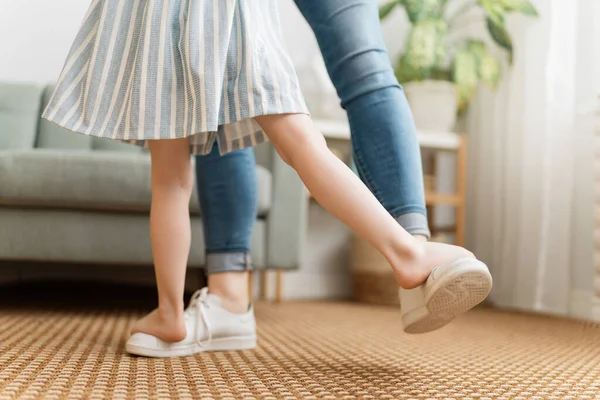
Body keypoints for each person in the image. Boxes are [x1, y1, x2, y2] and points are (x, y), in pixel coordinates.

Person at [44, 0, 492, 358]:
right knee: (317, 129)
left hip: (166, 20)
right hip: (238, 13)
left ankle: (175, 311)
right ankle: (410, 249)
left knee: (171, 181)